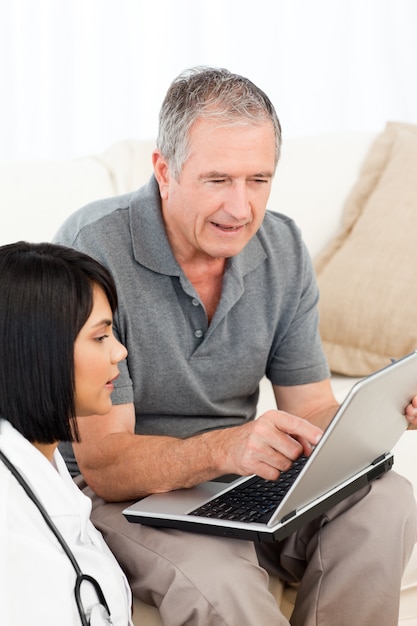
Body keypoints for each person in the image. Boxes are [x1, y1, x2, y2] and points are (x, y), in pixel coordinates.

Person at [54, 67, 417, 626]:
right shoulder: (91, 252)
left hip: (244, 484)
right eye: (218, 180)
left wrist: (384, 407)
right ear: (164, 170)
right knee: (220, 578)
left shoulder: (282, 245)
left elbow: (310, 408)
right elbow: (105, 465)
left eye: (258, 180)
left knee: (386, 498)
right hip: (133, 501)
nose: (241, 209)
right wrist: (225, 449)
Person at [0, 241, 133, 626]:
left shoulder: (43, 460)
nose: (119, 352)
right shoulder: (9, 521)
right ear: (41, 351)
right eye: (100, 336)